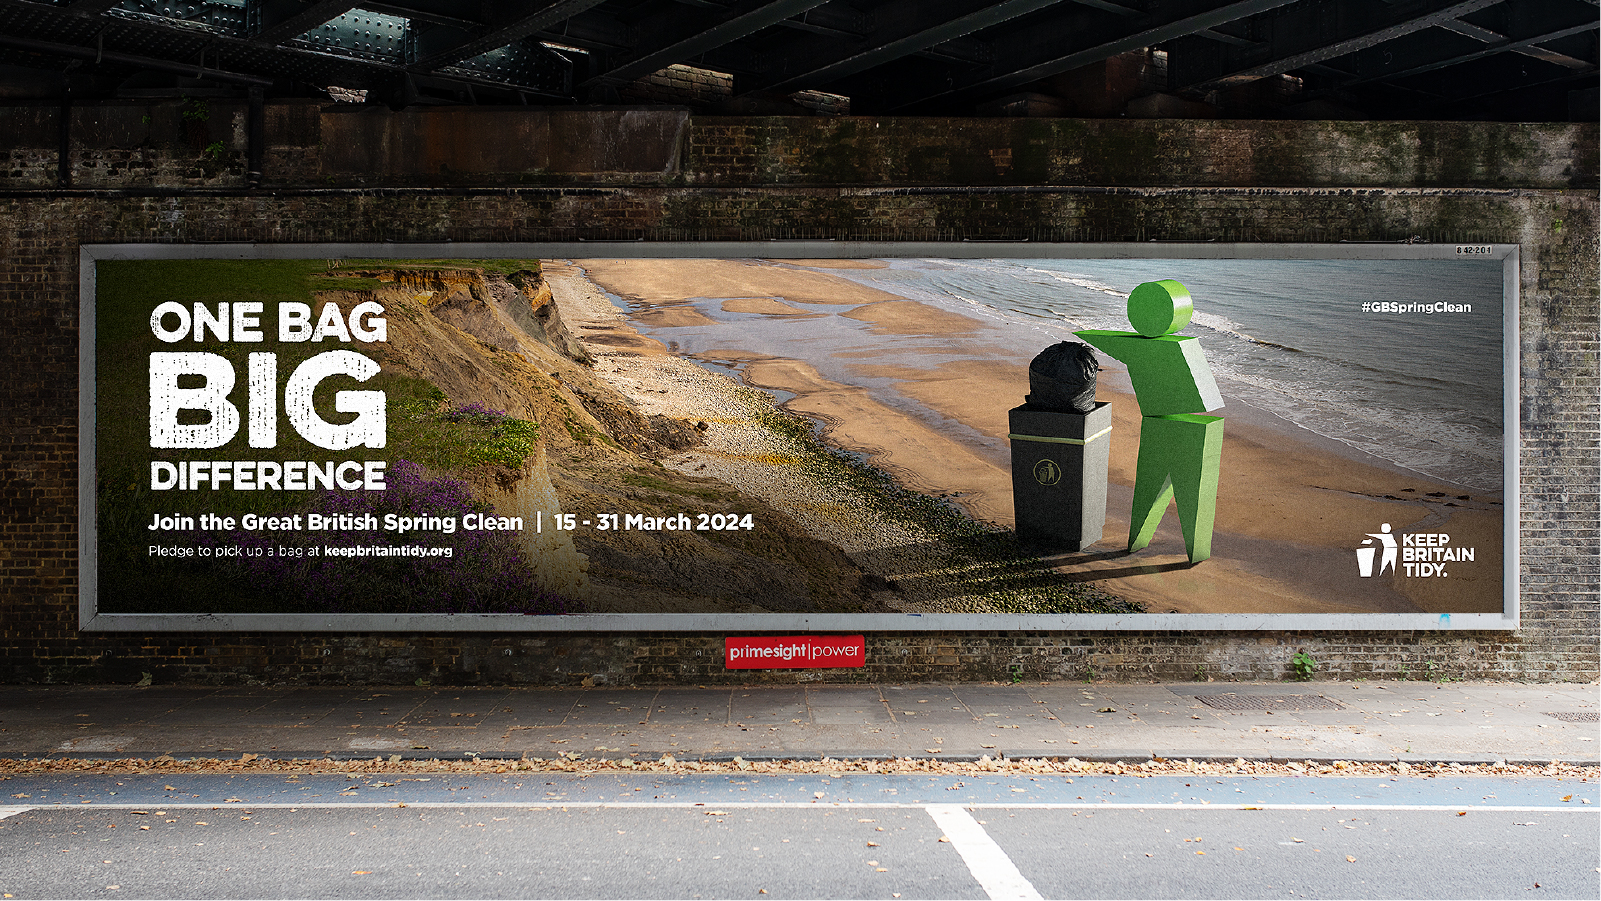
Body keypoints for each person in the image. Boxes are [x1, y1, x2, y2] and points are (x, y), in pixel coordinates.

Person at [1077, 279, 1224, 563]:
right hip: (1181, 424)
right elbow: (1204, 397)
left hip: (1165, 425)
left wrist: (1083, 333)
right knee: (1180, 494)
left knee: (1160, 490)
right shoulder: (1182, 345)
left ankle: (1147, 544)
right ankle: (1183, 550)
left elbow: (1105, 339)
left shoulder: (1155, 348)